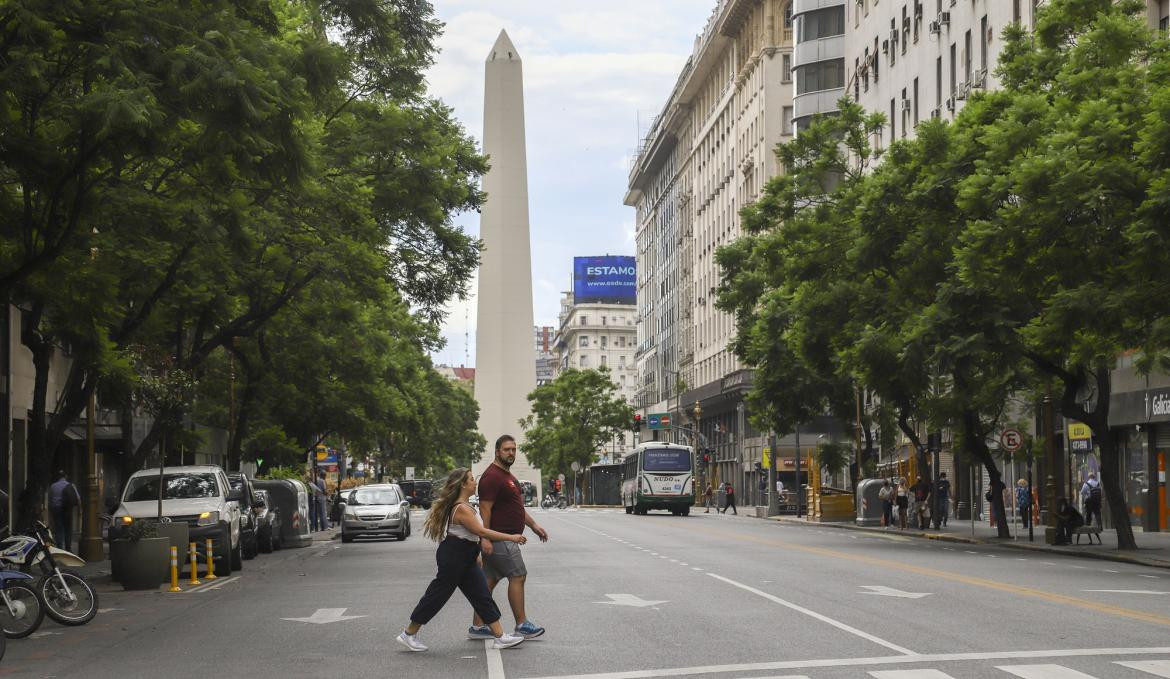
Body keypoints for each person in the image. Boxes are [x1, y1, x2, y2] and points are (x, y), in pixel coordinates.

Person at [397, 468, 527, 652]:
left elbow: (472, 537)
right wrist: (511, 537)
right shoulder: (462, 508)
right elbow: (481, 532)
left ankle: (500, 637)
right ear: (464, 484)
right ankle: (409, 634)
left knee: (481, 595)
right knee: (437, 595)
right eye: (472, 479)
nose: (475, 482)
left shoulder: (465, 505)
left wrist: (474, 556)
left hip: (464, 555)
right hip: (454, 556)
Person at [469, 435, 549, 641]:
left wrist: (534, 526)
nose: (511, 453)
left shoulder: (507, 476)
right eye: (507, 449)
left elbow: (517, 508)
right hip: (502, 538)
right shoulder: (492, 477)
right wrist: (484, 538)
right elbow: (485, 509)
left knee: (489, 581)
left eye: (514, 449)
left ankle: (477, 626)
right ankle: (522, 624)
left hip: (504, 538)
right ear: (497, 452)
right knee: (518, 576)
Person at [48, 471, 81, 551]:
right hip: (67, 509)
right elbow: (78, 498)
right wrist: (79, 510)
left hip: (56, 509)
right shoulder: (71, 485)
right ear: (65, 476)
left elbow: (50, 499)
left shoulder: (53, 486)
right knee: (68, 529)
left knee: (59, 529)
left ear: (58, 477)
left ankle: (59, 549)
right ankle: (68, 549)